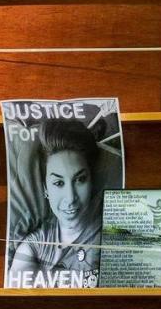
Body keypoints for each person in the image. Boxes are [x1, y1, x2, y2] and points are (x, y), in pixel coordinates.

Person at [8, 118, 103, 289]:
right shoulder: (33, 247)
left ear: (92, 181)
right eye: (59, 183)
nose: (70, 197)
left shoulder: (110, 232)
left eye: (80, 180)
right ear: (45, 189)